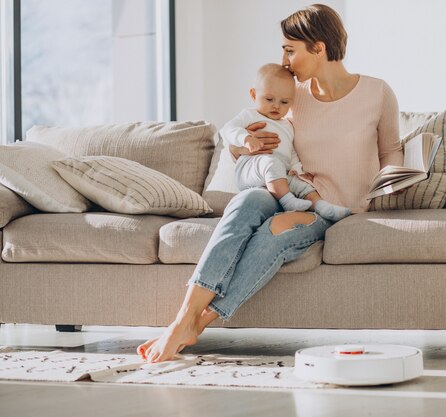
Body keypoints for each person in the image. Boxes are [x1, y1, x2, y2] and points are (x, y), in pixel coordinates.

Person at [137, 3, 402, 363]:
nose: (285, 59)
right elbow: (243, 138)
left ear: (319, 47)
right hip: (284, 190)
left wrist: (386, 189)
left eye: (290, 49)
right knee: (244, 203)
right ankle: (182, 318)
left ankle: (201, 321)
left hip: (330, 208)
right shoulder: (292, 97)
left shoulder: (377, 92)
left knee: (276, 230)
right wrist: (245, 142)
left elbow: (391, 152)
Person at [221, 62, 352, 221]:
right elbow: (227, 129)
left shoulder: (288, 126)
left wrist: (298, 170)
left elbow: (291, 152)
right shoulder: (250, 115)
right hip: (249, 169)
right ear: (254, 95)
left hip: (278, 174)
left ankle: (321, 206)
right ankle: (288, 202)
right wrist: (246, 138)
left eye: (284, 102)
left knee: (302, 185)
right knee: (270, 162)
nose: (276, 105)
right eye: (269, 99)